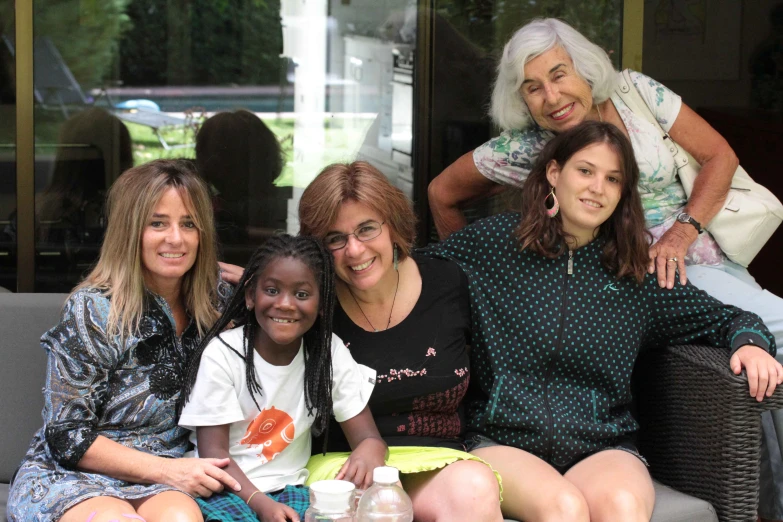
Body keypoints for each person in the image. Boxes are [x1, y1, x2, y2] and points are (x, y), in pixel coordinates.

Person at [426, 18, 783, 518]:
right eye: (534, 87)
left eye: (612, 178)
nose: (551, 96)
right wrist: (473, 288)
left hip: (686, 263)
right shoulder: (497, 236)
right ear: (553, 171)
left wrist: (744, 331)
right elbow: (434, 218)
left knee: (774, 333)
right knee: (565, 507)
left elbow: (719, 160)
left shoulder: (635, 95)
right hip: (507, 436)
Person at [7, 159, 241, 522]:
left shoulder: (216, 302)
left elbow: (292, 303)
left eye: (189, 224)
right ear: (130, 230)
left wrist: (255, 281)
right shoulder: (94, 308)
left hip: (166, 472)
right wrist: (171, 472)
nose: (175, 238)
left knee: (182, 519)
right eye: (158, 223)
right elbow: (67, 435)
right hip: (74, 473)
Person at [298, 161, 504, 522]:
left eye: (366, 229)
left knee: (474, 487)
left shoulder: (448, 281)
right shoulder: (310, 301)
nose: (355, 250)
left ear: (392, 224)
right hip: (345, 468)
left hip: (437, 463)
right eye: (335, 239)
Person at [179, 233, 386, 522]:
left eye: (301, 294)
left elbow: (368, 437)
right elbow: (214, 458)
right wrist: (261, 504)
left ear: (323, 304)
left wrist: (371, 451)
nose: (286, 304)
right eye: (272, 290)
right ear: (251, 296)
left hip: (291, 488)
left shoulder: (327, 353)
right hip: (224, 488)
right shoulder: (224, 355)